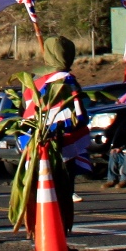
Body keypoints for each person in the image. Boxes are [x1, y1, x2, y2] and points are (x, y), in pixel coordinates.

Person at [27, 36, 89, 229]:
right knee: (61, 195)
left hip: (37, 144)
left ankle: (39, 237)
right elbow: (78, 115)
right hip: (62, 145)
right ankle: (60, 237)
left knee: (40, 195)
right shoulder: (66, 80)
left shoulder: (32, 81)